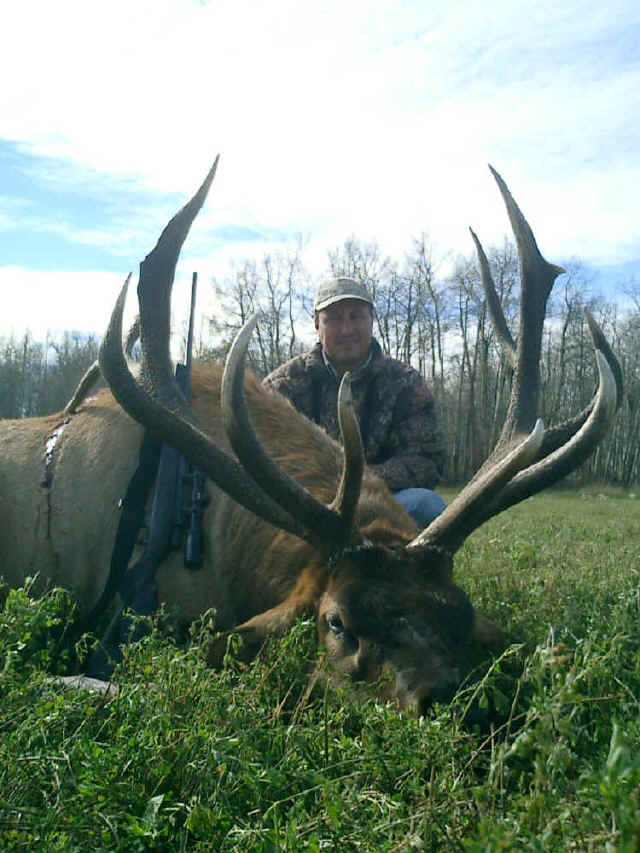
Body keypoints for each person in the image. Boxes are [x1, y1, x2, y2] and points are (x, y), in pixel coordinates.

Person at [262, 277, 447, 527]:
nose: (347, 329)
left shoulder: (405, 382)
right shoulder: (283, 385)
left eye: (356, 317)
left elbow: (427, 461)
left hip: (381, 506)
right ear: (317, 324)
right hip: (306, 508)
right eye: (334, 319)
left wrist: (361, 482)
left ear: (371, 319)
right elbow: (259, 457)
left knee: (428, 506)